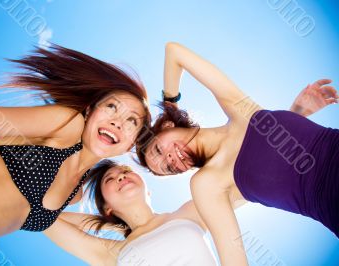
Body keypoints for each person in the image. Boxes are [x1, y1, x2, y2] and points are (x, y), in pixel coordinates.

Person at [0, 44, 151, 265]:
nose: (117, 121)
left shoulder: (75, 196)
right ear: (90, 110)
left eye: (131, 121)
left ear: (130, 145)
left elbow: (77, 227)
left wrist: (120, 223)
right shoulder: (66, 125)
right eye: (111, 107)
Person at [135, 43, 339, 265]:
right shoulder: (208, 183)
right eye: (168, 167)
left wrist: (170, 106)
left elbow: (174, 52)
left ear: (166, 127)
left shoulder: (241, 111)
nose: (171, 159)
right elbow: (234, 258)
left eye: (159, 149)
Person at [45, 160, 218, 266]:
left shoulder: (189, 213)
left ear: (148, 190)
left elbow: (240, 183)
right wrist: (109, 223)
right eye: (110, 179)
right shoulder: (112, 253)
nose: (121, 177)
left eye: (126, 172)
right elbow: (44, 217)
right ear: (107, 208)